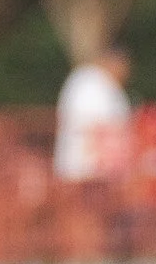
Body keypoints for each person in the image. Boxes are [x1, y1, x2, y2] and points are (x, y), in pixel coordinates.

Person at [54, 46, 132, 182]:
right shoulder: (91, 83)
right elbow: (98, 125)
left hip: (92, 164)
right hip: (88, 164)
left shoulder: (100, 83)